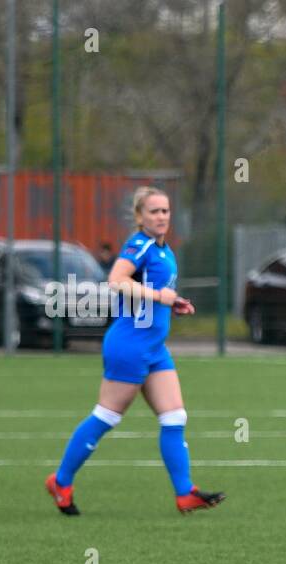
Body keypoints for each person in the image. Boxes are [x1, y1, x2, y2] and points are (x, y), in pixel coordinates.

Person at [45, 186, 225, 515]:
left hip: (154, 347)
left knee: (174, 416)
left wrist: (173, 303)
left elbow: (149, 295)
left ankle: (185, 493)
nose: (161, 217)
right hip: (129, 345)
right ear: (140, 216)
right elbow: (116, 280)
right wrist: (160, 297)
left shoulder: (163, 250)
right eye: (154, 211)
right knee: (106, 416)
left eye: (166, 211)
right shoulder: (138, 244)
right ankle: (62, 480)